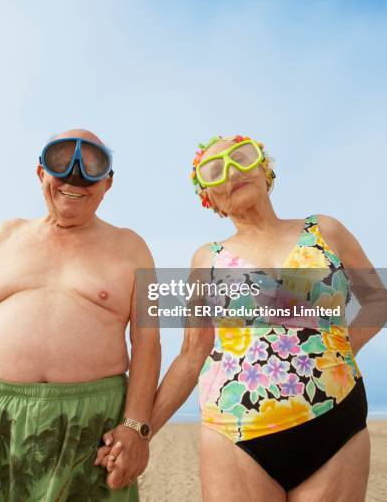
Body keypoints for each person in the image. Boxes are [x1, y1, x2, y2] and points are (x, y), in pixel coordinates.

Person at [98, 134, 384, 502]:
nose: (232, 172)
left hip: (336, 417)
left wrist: (338, 351)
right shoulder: (208, 259)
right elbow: (190, 354)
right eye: (215, 171)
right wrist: (138, 432)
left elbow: (377, 302)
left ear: (265, 171)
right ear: (210, 201)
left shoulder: (325, 230)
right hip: (235, 431)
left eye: (242, 158)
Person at [0, 128, 161, 501]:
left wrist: (135, 427)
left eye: (92, 167)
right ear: (41, 173)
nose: (75, 178)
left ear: (107, 184)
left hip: (93, 423)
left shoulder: (133, 246)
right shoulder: (5, 235)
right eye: (62, 164)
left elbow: (149, 341)